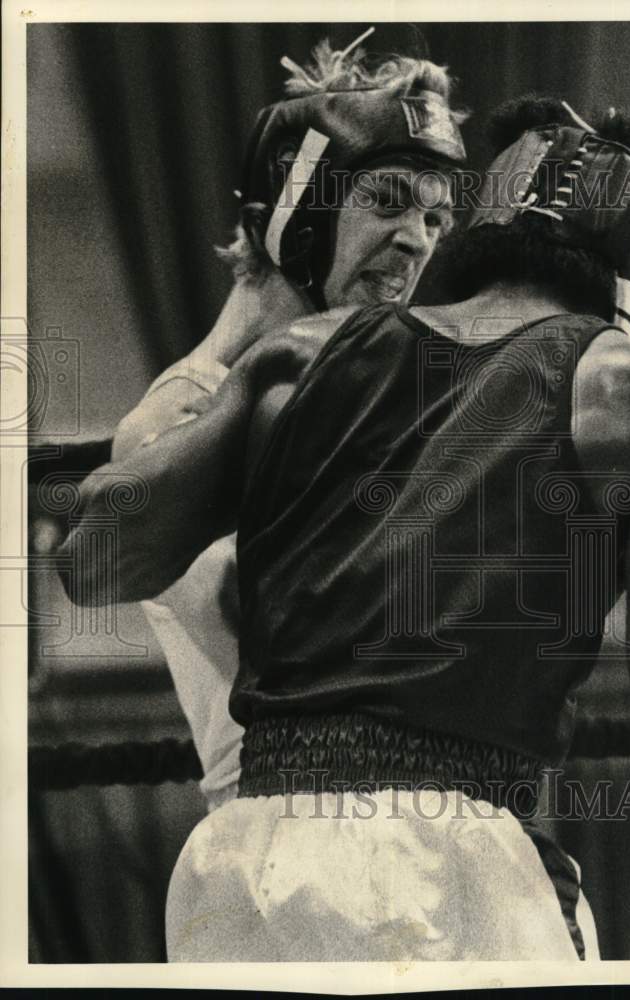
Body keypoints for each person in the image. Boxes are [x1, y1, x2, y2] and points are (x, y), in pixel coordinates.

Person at [61, 97, 630, 961]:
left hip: (242, 867)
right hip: (453, 866)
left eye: (432, 213)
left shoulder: (298, 357)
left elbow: (93, 560)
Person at [107, 31, 467, 810]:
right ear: (300, 205)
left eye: (438, 222)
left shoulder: (378, 399)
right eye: (388, 201)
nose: (416, 242)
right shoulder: (178, 419)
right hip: (284, 835)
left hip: (418, 824)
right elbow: (290, 644)